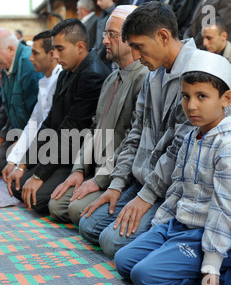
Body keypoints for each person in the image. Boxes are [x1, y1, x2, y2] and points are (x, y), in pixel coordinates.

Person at [114, 49, 231, 285]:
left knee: (145, 277)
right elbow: (178, 188)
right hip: (181, 226)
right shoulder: (192, 136)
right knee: (123, 260)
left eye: (202, 96)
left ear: (226, 98)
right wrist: (159, 228)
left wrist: (211, 267)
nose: (191, 105)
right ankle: (186, 261)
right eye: (185, 96)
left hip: (220, 235)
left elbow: (225, 209)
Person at [78, 1, 196, 259]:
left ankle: (186, 242)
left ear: (163, 36)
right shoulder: (153, 75)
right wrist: (117, 185)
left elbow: (180, 151)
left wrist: (146, 196)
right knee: (87, 225)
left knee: (111, 243)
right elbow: (135, 136)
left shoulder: (195, 74)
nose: (137, 56)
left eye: (139, 47)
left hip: (175, 190)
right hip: (144, 182)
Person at [49, 5, 148, 226]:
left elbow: (134, 140)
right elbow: (94, 129)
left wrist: (100, 179)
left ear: (131, 38)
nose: (104, 41)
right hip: (96, 168)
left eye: (111, 35)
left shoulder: (144, 78)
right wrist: (78, 170)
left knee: (75, 211)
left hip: (119, 175)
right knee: (56, 205)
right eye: (105, 34)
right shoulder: (111, 79)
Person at [8, 18, 110, 214]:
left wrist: (39, 176)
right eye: (53, 48)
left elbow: (70, 132)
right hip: (60, 150)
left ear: (80, 47)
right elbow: (49, 124)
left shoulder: (93, 75)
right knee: (18, 184)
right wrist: (23, 164)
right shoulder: (66, 73)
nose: (55, 54)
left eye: (60, 48)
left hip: (79, 157)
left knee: (35, 197)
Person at [0, 28, 43, 176]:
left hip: (33, 137)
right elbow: (9, 111)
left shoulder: (29, 65)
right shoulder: (6, 66)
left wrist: (20, 144)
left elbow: (37, 116)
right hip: (15, 133)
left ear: (11, 49)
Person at [1, 30, 62, 183]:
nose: (30, 58)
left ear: (51, 54)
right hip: (40, 146)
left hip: (56, 150)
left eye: (35, 53)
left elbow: (47, 126)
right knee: (15, 181)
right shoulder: (45, 80)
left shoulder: (60, 79)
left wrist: (22, 165)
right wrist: (13, 160)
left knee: (20, 185)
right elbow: (33, 123)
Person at [202, 17, 231, 102]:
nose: (204, 43)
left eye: (209, 38)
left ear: (224, 36)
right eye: (203, 38)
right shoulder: (205, 56)